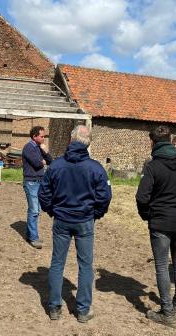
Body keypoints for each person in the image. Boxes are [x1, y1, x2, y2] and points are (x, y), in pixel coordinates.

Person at [38, 125, 112, 323]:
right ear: (88, 143)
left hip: (62, 219)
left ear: (71, 141)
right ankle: (82, 309)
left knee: (57, 262)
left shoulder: (56, 166)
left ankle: (54, 307)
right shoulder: (96, 168)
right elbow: (104, 196)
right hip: (84, 221)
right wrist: (95, 213)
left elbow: (43, 193)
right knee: (86, 264)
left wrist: (52, 210)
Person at [136, 126, 176, 326]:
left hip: (161, 222)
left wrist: (148, 215)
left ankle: (167, 312)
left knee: (162, 266)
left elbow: (142, 197)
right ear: (171, 141)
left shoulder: (152, 166)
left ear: (153, 143)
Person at [21, 126, 53, 249]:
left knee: (36, 210)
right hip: (31, 182)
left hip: (40, 181)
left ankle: (30, 234)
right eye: (42, 136)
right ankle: (33, 238)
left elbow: (50, 161)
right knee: (34, 210)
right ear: (34, 136)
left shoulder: (40, 148)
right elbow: (37, 163)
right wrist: (43, 161)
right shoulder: (28, 148)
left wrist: (46, 151)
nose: (44, 138)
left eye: (44, 136)